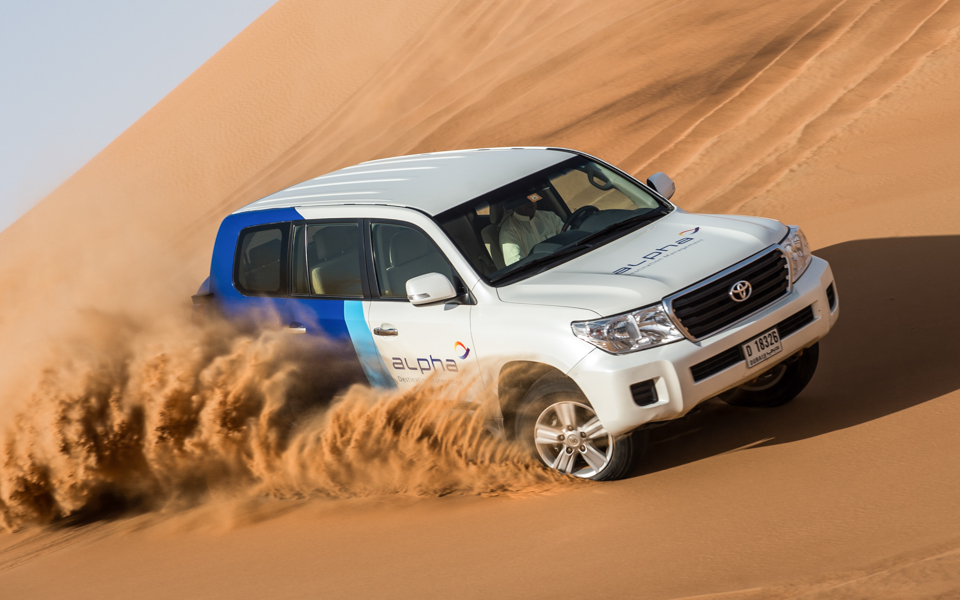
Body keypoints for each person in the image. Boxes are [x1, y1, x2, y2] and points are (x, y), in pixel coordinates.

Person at [499, 193, 564, 266]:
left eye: (532, 196)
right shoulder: (509, 231)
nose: (531, 201)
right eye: (524, 200)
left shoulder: (550, 217)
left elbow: (569, 238)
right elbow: (516, 263)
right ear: (514, 205)